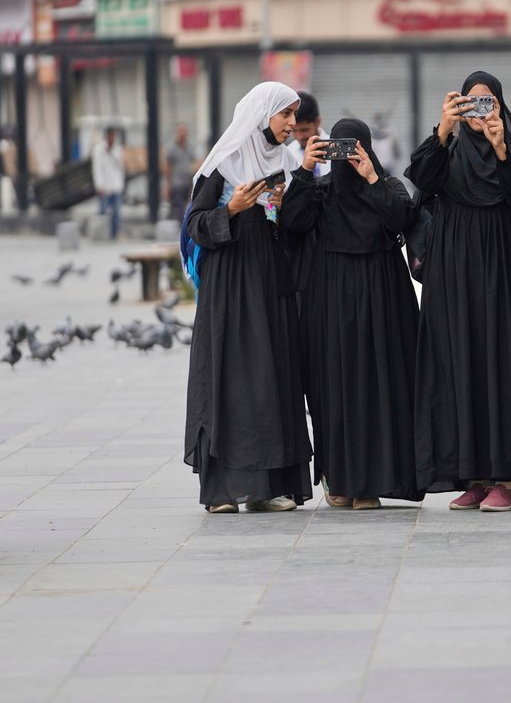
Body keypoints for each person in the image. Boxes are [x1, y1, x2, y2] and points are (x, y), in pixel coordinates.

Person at [405, 71, 511, 512]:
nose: (480, 110)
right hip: (453, 269)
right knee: (459, 361)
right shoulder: (446, 148)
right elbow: (422, 178)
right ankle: (472, 475)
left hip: (505, 266)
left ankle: (506, 479)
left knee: (503, 360)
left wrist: (500, 148)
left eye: (487, 101)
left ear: (500, 105)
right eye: (471, 102)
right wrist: (443, 127)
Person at [183, 81, 312, 514]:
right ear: (262, 116)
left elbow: (295, 227)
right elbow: (196, 224)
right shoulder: (225, 162)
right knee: (230, 380)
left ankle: (267, 488)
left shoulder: (287, 161)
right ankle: (222, 490)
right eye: (285, 115)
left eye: (294, 116)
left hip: (271, 282)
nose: (292, 125)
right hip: (230, 287)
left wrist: (282, 203)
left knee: (270, 379)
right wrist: (233, 209)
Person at [279, 118, 422, 510]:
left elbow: (402, 218)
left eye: (353, 147)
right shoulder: (321, 191)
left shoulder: (386, 184)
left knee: (379, 386)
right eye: (338, 148)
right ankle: (340, 479)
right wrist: (306, 170)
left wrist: (372, 178)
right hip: (330, 301)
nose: (346, 156)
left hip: (381, 300)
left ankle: (372, 483)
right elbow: (291, 221)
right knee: (332, 388)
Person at [92, 127, 126, 239]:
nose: (112, 138)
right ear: (107, 136)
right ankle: (100, 234)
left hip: (116, 185)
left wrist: (122, 185)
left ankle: (114, 235)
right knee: (102, 211)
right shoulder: (99, 149)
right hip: (104, 186)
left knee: (116, 212)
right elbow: (97, 169)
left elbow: (121, 166)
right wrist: (99, 185)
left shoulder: (117, 149)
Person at [286, 92, 330, 178]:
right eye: (294, 131)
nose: (299, 136)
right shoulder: (288, 153)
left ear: (318, 122)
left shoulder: (337, 148)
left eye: (304, 130)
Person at [164, 124, 200, 222]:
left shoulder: (190, 147)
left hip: (188, 182)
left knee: (188, 205)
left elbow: (196, 162)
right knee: (180, 206)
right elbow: (168, 166)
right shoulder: (172, 148)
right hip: (176, 183)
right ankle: (182, 224)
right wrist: (168, 184)